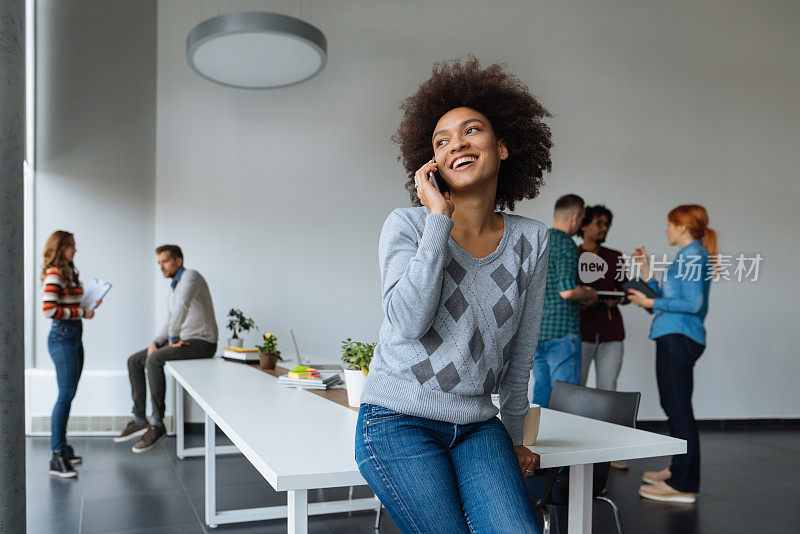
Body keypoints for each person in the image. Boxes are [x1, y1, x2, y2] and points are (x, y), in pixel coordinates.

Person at [355, 57, 551, 533]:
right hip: (397, 420)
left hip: (478, 425)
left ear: (503, 147)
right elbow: (407, 323)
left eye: (472, 131)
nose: (457, 145)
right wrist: (438, 219)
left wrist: (513, 439)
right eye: (442, 141)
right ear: (432, 163)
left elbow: (521, 351)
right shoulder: (408, 225)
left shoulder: (532, 238)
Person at [627, 204, 718, 504]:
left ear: (682, 227)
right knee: (674, 406)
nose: (666, 229)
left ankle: (683, 484)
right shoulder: (689, 255)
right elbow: (672, 297)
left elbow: (691, 304)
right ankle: (679, 470)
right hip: (674, 335)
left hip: (678, 337)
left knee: (678, 410)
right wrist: (647, 275)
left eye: (669, 224)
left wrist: (652, 304)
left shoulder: (693, 255)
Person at [115, 245, 218, 453]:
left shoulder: (191, 277)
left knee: (154, 360)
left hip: (202, 342)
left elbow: (182, 306)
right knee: (134, 360)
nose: (161, 266)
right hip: (182, 340)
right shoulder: (173, 287)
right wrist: (156, 342)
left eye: (165, 261)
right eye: (159, 263)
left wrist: (171, 339)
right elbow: (170, 319)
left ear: (178, 261)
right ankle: (139, 418)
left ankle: (158, 424)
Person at [42, 231, 102, 478]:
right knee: (65, 394)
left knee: (69, 393)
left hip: (74, 336)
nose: (75, 251)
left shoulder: (67, 272)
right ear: (61, 247)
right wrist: (80, 314)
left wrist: (86, 306)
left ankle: (62, 448)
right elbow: (48, 310)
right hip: (62, 338)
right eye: (71, 247)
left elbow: (66, 304)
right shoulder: (54, 273)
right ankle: (56, 455)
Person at [532, 195, 597, 408]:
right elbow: (567, 291)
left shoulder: (539, 240)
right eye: (582, 219)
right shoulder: (566, 244)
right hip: (562, 333)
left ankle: (535, 440)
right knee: (566, 398)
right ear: (576, 216)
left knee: (542, 394)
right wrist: (590, 294)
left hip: (537, 333)